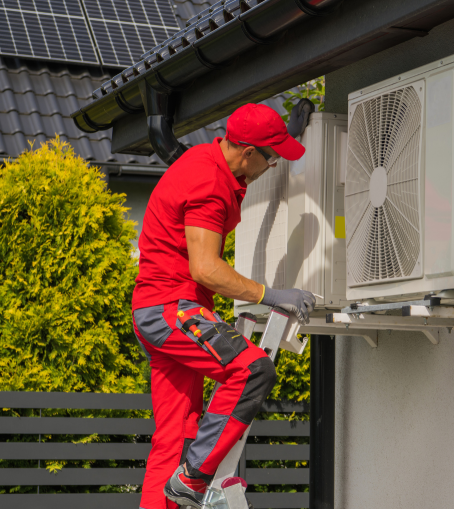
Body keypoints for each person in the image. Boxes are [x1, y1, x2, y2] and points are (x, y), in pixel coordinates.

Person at [131, 103, 316, 509]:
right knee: (253, 370)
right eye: (271, 157)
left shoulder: (210, 160)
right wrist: (272, 294)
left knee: (174, 437)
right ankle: (193, 480)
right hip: (172, 310)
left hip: (154, 309)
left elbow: (259, 160)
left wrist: (289, 137)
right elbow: (206, 269)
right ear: (248, 152)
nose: (273, 164)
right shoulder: (209, 184)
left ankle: (179, 480)